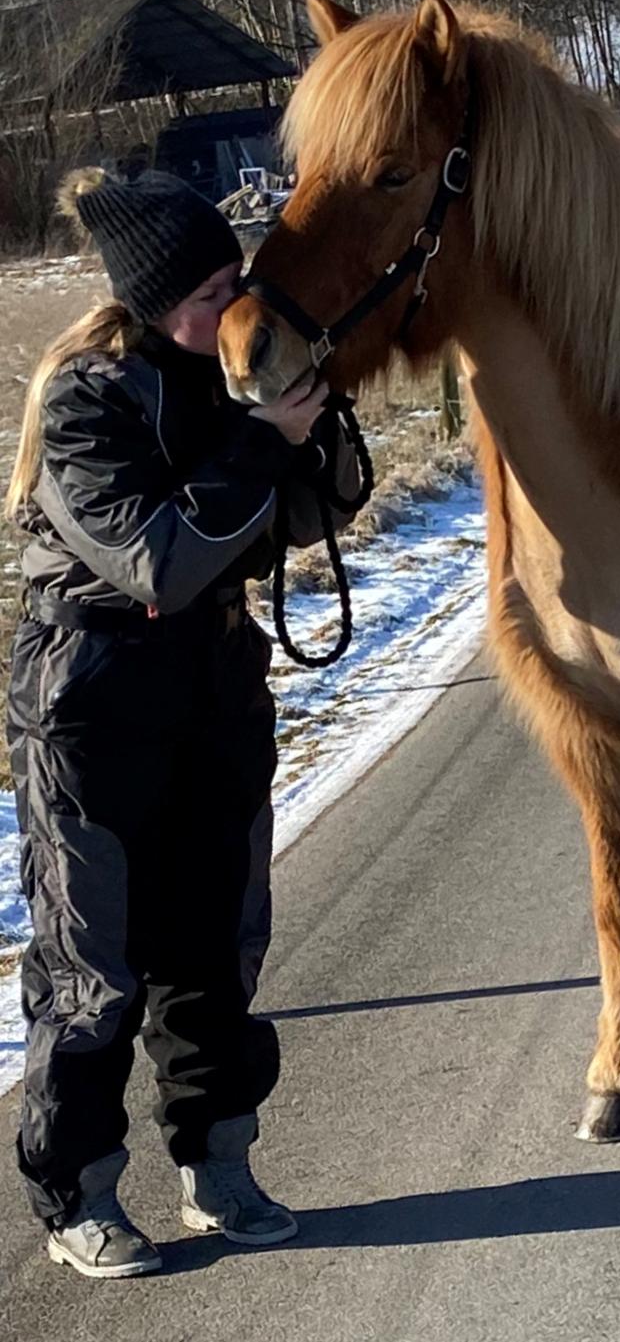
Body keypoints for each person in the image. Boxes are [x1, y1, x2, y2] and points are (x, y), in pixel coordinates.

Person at [4, 167, 359, 1278]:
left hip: (212, 690)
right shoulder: (84, 399)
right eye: (211, 288)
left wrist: (315, 418)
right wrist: (260, 444)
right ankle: (79, 1195)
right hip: (92, 703)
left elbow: (313, 513)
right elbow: (159, 560)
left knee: (213, 950)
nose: (233, 303)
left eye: (234, 276)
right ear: (156, 298)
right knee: (91, 969)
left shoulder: (224, 373)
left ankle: (222, 1164)